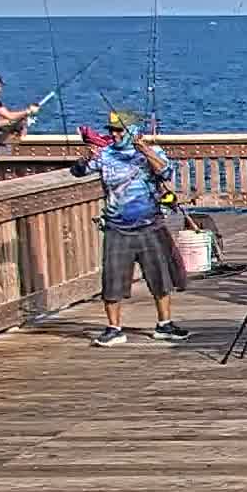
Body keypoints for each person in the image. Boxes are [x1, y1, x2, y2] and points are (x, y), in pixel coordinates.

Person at [72, 111, 190, 347]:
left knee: (160, 276)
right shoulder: (105, 155)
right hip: (117, 227)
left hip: (150, 224)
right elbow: (78, 172)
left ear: (134, 132)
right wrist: (86, 159)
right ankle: (114, 328)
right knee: (113, 279)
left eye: (119, 131)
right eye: (111, 131)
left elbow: (166, 172)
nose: (114, 135)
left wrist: (144, 150)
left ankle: (164, 324)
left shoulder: (151, 152)